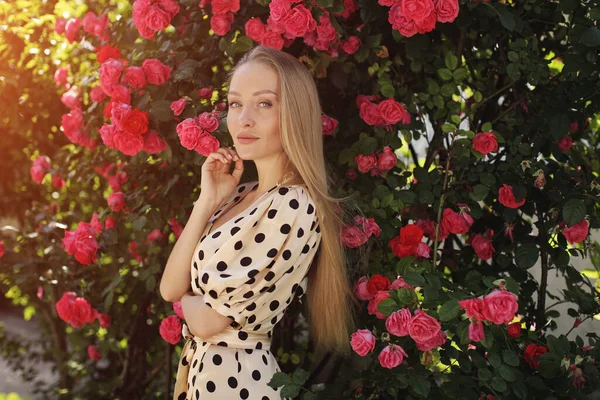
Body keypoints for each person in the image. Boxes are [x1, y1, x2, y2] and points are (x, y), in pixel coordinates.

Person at [159, 45, 357, 400]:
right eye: (236, 104)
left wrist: (192, 300)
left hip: (237, 385)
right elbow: (171, 289)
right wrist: (206, 203)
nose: (243, 119)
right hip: (205, 380)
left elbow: (207, 321)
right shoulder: (241, 195)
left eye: (264, 103)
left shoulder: (294, 204)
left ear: (295, 114)